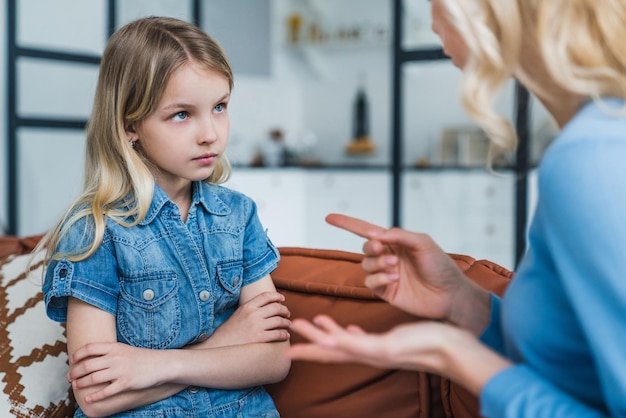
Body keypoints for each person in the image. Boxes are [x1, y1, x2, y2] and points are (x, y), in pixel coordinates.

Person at [287, 0, 626, 417]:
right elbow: (578, 371)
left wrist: (457, 357)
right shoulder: (597, 142)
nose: (429, 18)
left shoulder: (595, 158)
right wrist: (462, 301)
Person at [39, 16, 291, 417]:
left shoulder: (239, 215)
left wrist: (157, 366)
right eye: (181, 114)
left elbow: (275, 360)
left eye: (220, 107)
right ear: (129, 125)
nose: (210, 133)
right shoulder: (94, 231)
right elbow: (97, 395)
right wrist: (228, 343)